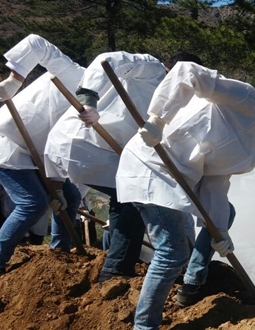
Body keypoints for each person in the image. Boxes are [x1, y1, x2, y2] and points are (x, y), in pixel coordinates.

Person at [114, 61, 255, 329]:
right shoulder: (245, 98)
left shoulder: (251, 148)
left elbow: (215, 186)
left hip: (176, 181)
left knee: (224, 213)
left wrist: (220, 232)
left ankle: (193, 281)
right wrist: (158, 119)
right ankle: (144, 326)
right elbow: (188, 71)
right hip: (151, 164)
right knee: (172, 253)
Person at [44, 51, 199, 283]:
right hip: (85, 138)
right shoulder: (152, 69)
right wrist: (88, 101)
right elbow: (105, 60)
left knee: (125, 199)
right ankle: (116, 270)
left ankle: (115, 260)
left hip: (99, 152)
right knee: (133, 198)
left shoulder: (173, 102)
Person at [0, 34, 85, 283]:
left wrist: (59, 189)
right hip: (4, 144)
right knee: (33, 203)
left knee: (71, 198)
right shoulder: (75, 74)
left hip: (34, 155)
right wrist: (14, 80)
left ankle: (58, 254)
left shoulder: (99, 112)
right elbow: (35, 43)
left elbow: (60, 149)